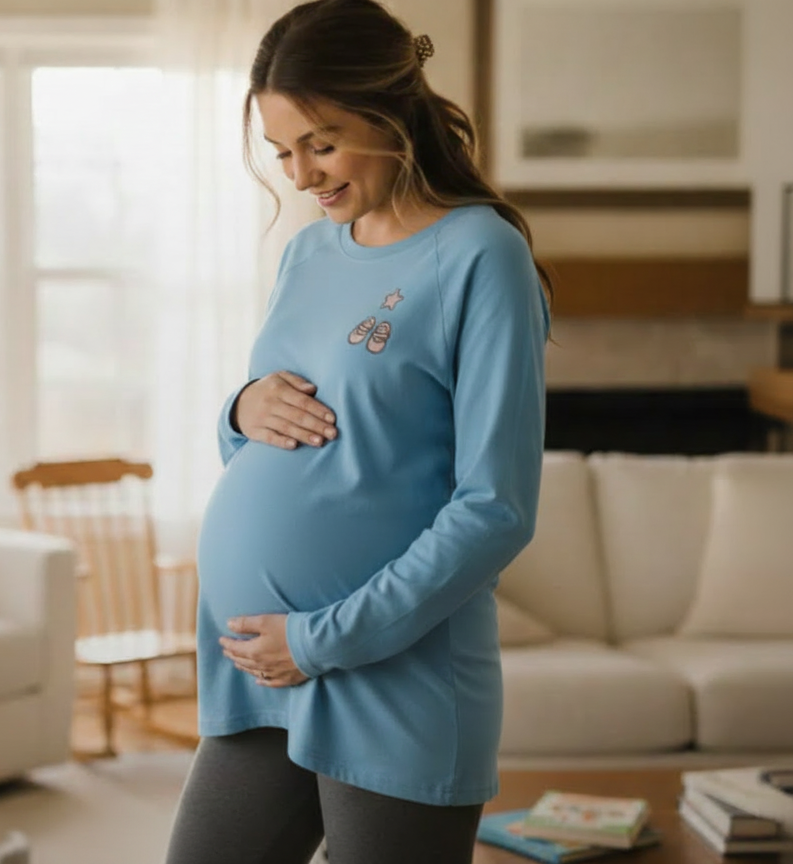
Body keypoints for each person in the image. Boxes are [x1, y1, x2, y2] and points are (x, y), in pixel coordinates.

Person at [164, 0, 553, 862]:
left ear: (391, 112)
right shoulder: (310, 252)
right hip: (260, 668)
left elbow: (496, 508)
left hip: (391, 677)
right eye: (281, 151)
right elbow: (272, 436)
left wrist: (318, 640)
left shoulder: (482, 256)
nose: (300, 176)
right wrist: (238, 408)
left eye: (322, 142)